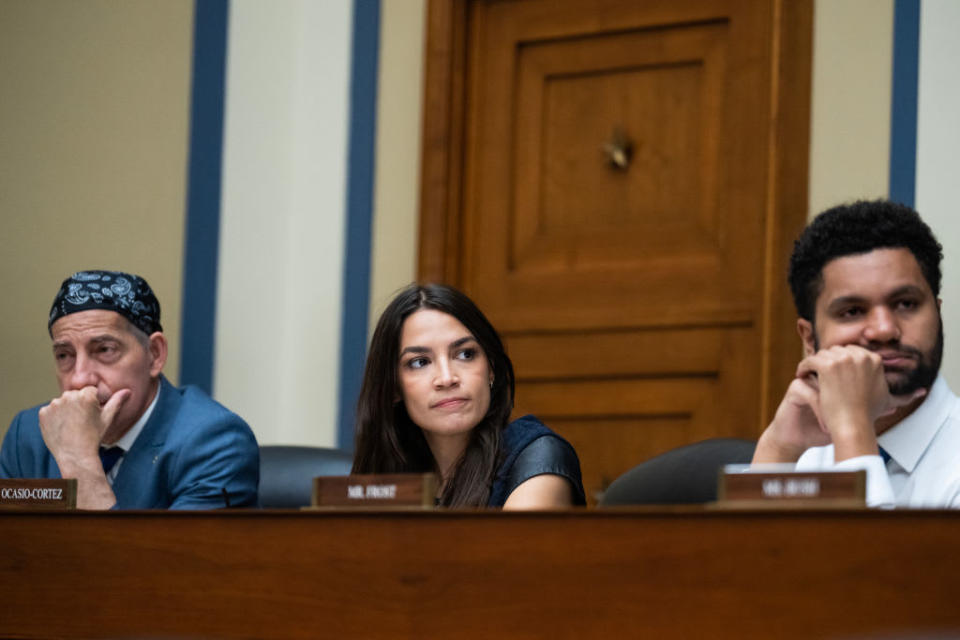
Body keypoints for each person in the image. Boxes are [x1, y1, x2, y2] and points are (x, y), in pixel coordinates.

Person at [752, 200, 960, 507]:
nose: (884, 329)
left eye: (906, 304)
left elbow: (872, 557)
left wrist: (853, 431)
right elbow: (741, 555)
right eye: (852, 311)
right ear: (810, 339)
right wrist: (778, 448)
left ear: (937, 315)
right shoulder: (806, 452)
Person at [1, 270, 259, 509]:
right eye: (64, 355)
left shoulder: (215, 442)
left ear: (155, 354)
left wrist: (79, 460)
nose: (80, 379)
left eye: (104, 350)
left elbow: (173, 560)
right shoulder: (29, 435)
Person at [352, 283, 586, 508]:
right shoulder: (394, 469)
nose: (447, 378)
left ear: (491, 368)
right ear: (394, 387)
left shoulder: (538, 457)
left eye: (465, 354)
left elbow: (510, 550)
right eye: (420, 362)